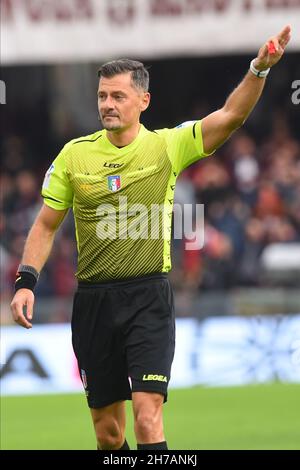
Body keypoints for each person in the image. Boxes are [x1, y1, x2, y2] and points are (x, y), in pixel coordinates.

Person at [10, 26, 291, 450]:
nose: (107, 104)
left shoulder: (167, 147)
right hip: (93, 303)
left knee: (147, 417)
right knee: (108, 436)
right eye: (103, 95)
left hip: (147, 299)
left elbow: (230, 117)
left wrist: (258, 69)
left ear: (143, 101)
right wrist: (26, 280)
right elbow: (46, 224)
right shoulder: (74, 155)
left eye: (118, 96)